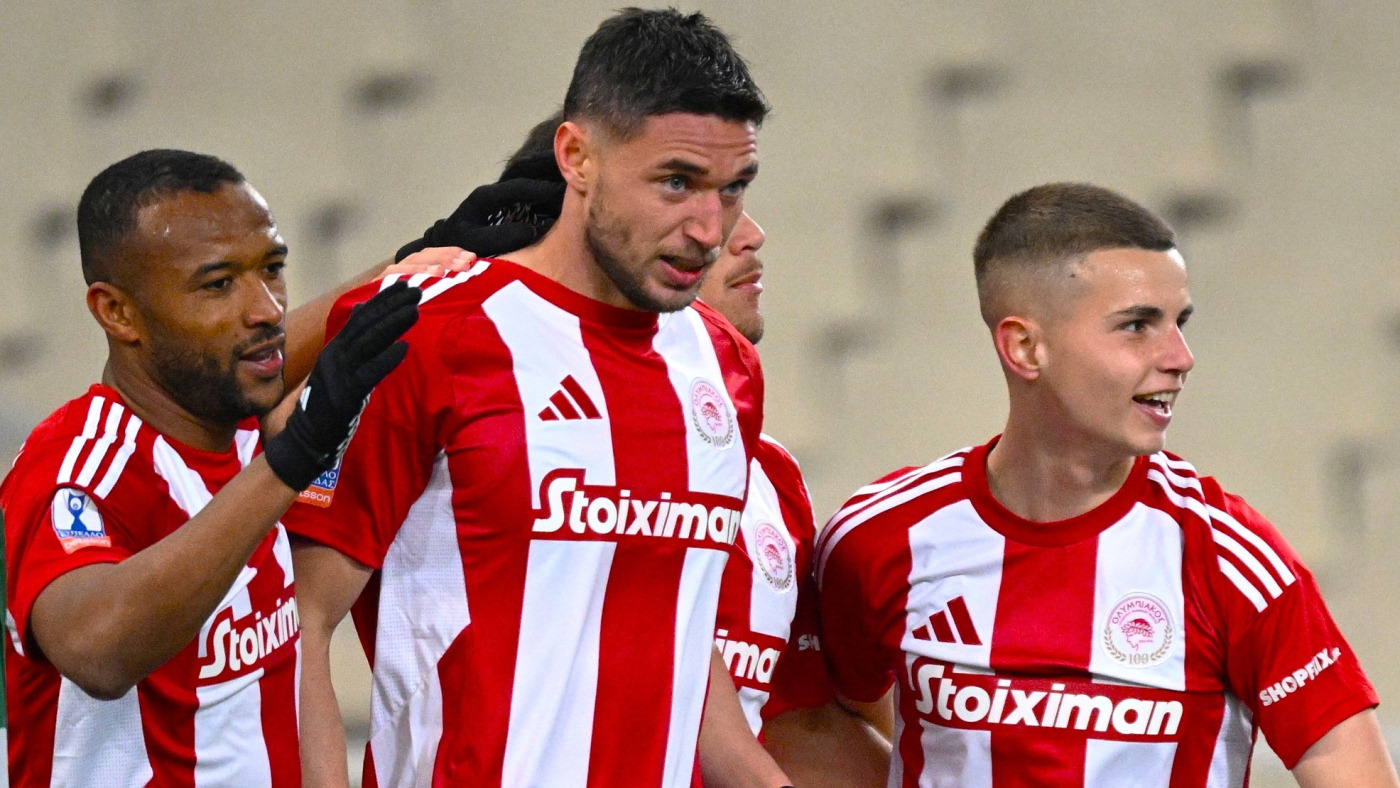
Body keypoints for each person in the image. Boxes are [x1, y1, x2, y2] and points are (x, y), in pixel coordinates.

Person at [286, 9, 792, 788]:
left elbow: (681, 641)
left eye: (733, 188)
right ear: (576, 156)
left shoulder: (727, 369)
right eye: (676, 183)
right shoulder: (427, 333)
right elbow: (297, 623)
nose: (709, 228)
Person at [814, 182, 1398, 787]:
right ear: (1025, 347)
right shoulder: (877, 538)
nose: (1181, 357)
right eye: (1138, 325)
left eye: (1179, 322)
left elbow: (1351, 769)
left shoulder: (1226, 556)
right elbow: (831, 713)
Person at [420, 110, 894, 787]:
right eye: (681, 193)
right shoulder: (484, 427)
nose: (739, 235)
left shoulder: (770, 475)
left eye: (730, 198)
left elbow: (795, 718)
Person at [2, 149, 424, 786]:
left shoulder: (235, 422)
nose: (266, 308)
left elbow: (287, 340)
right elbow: (97, 652)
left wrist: (421, 259)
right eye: (218, 284)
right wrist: (289, 462)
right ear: (117, 312)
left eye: (273, 268)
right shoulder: (79, 467)